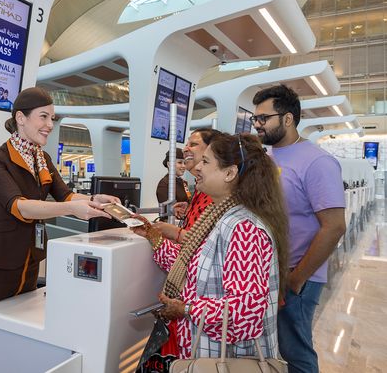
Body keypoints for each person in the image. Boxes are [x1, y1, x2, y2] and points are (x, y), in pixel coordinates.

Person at [132, 133, 288, 359]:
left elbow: (244, 313)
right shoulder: (221, 216)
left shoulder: (244, 229)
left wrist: (186, 309)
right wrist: (153, 236)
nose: (196, 169)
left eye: (206, 162)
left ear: (230, 173)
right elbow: (195, 264)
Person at [0, 87, 119, 306]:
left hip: (30, 258)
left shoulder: (43, 158)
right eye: (44, 117)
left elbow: (65, 196)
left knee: (21, 328)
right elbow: (20, 207)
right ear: (21, 117)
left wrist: (94, 200)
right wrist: (71, 209)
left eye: (52, 118)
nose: (50, 124)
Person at [252, 85, 346, 373]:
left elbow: (334, 226)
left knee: (296, 352)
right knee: (276, 349)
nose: (258, 125)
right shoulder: (269, 159)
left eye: (264, 118)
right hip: (272, 272)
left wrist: (296, 278)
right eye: (255, 119)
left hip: (298, 275)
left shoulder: (317, 162)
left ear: (288, 119)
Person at [152, 128, 221, 243]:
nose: (185, 149)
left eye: (193, 144)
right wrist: (189, 210)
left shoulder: (215, 192)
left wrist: (174, 232)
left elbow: (207, 244)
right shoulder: (199, 187)